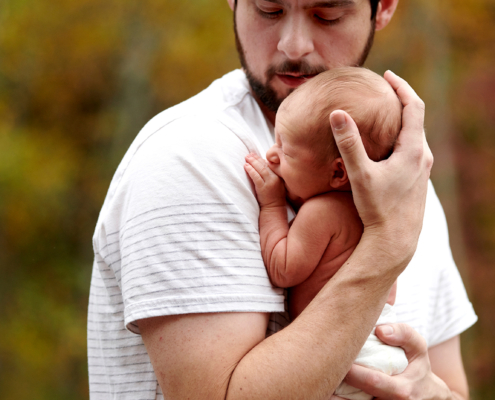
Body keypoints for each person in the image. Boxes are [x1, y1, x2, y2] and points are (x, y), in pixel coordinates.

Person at [88, 0, 477, 399]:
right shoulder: (193, 156)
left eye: (327, 14)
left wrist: (431, 394)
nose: (293, 46)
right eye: (269, 9)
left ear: (384, 8)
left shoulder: (407, 178)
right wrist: (387, 246)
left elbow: (455, 387)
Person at [244, 67, 409, 400]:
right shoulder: (374, 213)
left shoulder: (322, 212)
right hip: (378, 347)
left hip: (350, 356)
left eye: (286, 151)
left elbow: (283, 269)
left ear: (338, 172)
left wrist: (273, 204)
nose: (272, 155)